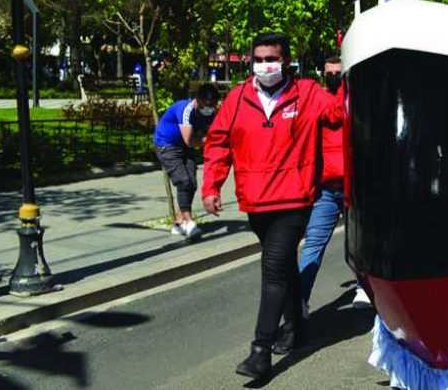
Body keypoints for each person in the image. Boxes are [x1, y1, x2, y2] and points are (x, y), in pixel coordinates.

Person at [202, 33, 343, 380]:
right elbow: (218, 142)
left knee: (275, 268)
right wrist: (211, 186)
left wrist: (349, 76)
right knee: (284, 270)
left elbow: (339, 114)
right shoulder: (237, 98)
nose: (266, 65)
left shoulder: (308, 93)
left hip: (294, 199)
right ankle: (296, 328)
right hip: (256, 201)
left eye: (273, 58)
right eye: (260, 58)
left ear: (286, 61)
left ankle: (260, 350)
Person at [298, 56, 371, 314]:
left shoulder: (355, 97)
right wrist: (347, 87)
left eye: (338, 73)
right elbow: (334, 113)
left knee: (361, 243)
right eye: (329, 73)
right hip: (328, 188)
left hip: (354, 185)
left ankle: (366, 288)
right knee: (314, 244)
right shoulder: (322, 98)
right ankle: (300, 300)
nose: (333, 77)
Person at [153, 83, 219, 238]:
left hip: (184, 147)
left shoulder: (211, 113)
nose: (209, 108)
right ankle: (188, 222)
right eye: (206, 104)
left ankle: (178, 223)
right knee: (183, 181)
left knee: (192, 183)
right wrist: (209, 138)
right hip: (167, 145)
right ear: (198, 99)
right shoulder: (186, 110)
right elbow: (190, 140)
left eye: (212, 105)